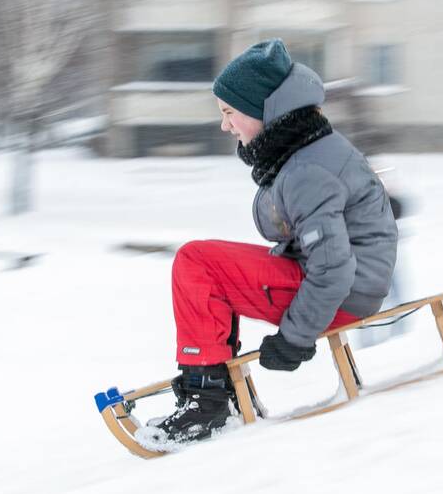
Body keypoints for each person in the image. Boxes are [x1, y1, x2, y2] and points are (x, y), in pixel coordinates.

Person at [142, 40, 399, 447]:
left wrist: (294, 338)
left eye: (230, 113)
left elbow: (334, 267)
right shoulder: (304, 151)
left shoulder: (306, 169)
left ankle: (207, 400)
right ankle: (209, 383)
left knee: (198, 262)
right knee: (204, 262)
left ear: (266, 111)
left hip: (342, 294)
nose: (225, 126)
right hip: (346, 284)